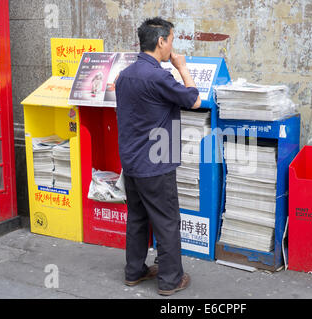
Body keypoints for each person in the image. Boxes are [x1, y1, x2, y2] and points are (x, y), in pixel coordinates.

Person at [115, 17, 201, 296]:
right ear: (161, 41)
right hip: (156, 163)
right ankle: (170, 280)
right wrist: (183, 67)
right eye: (171, 40)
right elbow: (194, 100)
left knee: (137, 218)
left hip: (131, 162)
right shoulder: (159, 76)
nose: (172, 47)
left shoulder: (124, 75)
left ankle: (134, 271)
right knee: (166, 221)